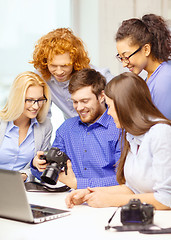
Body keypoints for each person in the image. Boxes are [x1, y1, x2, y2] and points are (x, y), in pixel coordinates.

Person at [65, 72, 171, 210]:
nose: (108, 113)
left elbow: (166, 198)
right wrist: (91, 193)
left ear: (125, 106)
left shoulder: (161, 133)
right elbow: (133, 189)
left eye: (110, 106)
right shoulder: (132, 135)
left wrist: (112, 200)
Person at [31, 68, 120, 189]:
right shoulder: (66, 129)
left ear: (101, 96)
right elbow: (50, 173)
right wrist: (37, 165)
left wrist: (78, 184)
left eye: (84, 101)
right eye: (75, 102)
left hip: (107, 202)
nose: (79, 108)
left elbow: (124, 179)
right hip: (72, 202)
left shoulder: (118, 128)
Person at [30, 28, 113, 119]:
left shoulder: (99, 76)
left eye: (65, 66)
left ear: (75, 61)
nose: (59, 71)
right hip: (72, 128)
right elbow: (43, 115)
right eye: (53, 66)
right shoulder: (41, 77)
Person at [115, 13, 171, 119]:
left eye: (126, 57)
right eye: (121, 57)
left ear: (146, 49)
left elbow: (163, 128)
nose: (124, 64)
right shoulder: (151, 77)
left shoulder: (164, 80)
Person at [0, 71, 52, 181]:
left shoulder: (45, 126)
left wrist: (26, 173)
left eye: (40, 100)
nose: (36, 106)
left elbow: (39, 170)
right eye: (30, 100)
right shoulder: (2, 122)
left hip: (23, 189)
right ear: (17, 98)